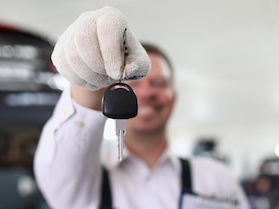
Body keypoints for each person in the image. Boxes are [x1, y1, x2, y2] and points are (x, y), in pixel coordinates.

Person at [33, 6, 249, 209]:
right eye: (134, 83)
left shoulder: (218, 180)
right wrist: (88, 81)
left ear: (173, 97)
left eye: (158, 83)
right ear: (113, 93)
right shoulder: (83, 181)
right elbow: (65, 154)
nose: (147, 92)